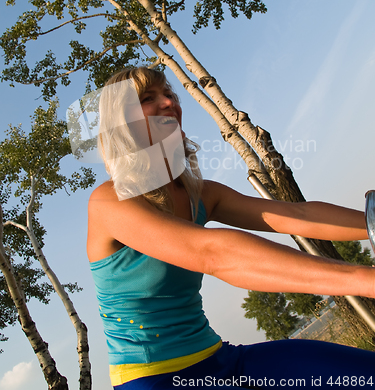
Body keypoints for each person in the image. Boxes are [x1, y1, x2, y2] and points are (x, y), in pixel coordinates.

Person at [87, 66, 375, 389]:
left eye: (169, 94)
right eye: (148, 98)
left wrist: (372, 220)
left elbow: (296, 216)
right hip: (154, 380)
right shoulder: (108, 201)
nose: (169, 102)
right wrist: (364, 279)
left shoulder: (201, 194)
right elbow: (213, 254)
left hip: (221, 361)